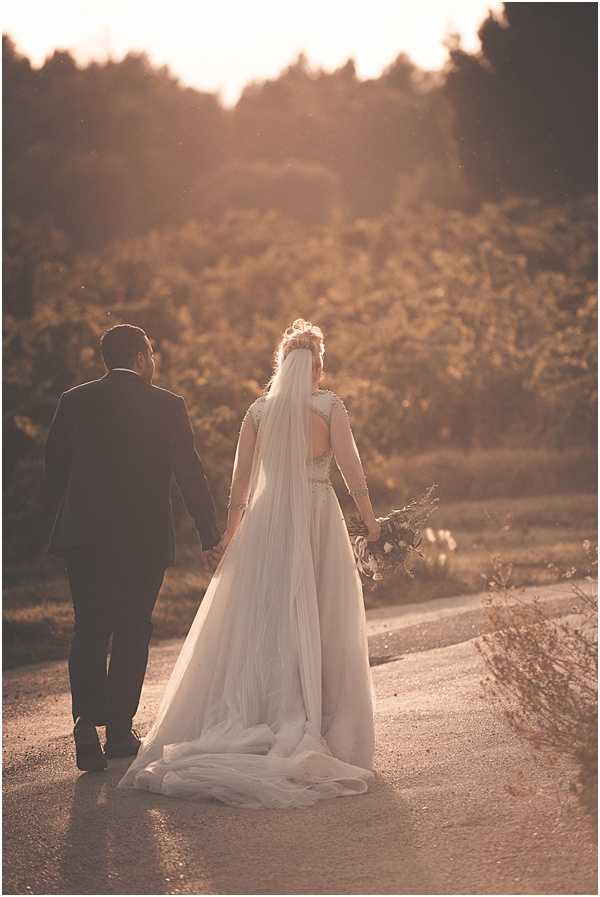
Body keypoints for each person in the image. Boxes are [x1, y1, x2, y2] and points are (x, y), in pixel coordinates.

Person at [118, 318, 380, 809]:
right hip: (318, 519)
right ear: (316, 364)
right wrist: (373, 525)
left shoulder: (257, 413)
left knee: (265, 619)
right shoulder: (329, 406)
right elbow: (353, 474)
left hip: (267, 524)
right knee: (324, 615)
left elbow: (238, 492)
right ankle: (320, 719)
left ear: (281, 365)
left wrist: (228, 542)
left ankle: (265, 709)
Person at [44, 324, 221, 773]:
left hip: (84, 538)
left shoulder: (74, 401)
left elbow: (53, 473)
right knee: (132, 628)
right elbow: (190, 475)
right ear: (142, 358)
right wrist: (209, 534)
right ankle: (119, 732)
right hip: (142, 539)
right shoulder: (166, 405)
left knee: (89, 628)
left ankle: (85, 723)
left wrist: (59, 527)